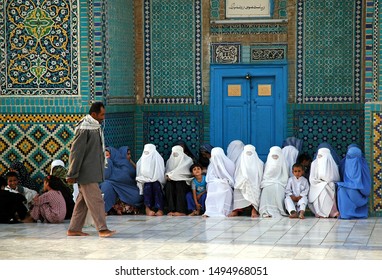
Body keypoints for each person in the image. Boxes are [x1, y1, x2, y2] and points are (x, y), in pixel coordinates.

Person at [66, 102, 116, 237]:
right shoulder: (84, 128)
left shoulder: (94, 127)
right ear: (94, 114)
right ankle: (102, 229)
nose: (103, 117)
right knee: (96, 200)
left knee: (82, 203)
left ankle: (74, 228)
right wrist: (72, 173)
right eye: (102, 114)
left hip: (91, 172)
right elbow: (76, 152)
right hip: (86, 173)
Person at [100, 146, 142, 215]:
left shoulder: (125, 165)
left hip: (128, 191)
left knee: (137, 197)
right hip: (114, 191)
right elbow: (106, 176)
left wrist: (130, 161)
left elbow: (133, 174)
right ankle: (106, 209)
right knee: (106, 185)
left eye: (107, 155)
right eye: (105, 156)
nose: (106, 158)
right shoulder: (109, 164)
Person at [229, 144, 264, 218]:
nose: (249, 155)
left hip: (255, 182)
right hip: (242, 181)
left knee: (255, 188)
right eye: (247, 153)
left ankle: (254, 209)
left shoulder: (259, 163)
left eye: (250, 153)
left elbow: (260, 176)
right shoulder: (240, 161)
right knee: (238, 188)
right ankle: (236, 210)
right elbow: (237, 174)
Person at [337, 146, 371, 219]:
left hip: (359, 196)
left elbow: (366, 191)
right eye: (349, 157)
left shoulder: (362, 167)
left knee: (345, 189)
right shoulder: (345, 164)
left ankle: (348, 213)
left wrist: (354, 187)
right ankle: (349, 213)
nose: (350, 159)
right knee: (342, 189)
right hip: (353, 192)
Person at [308, 147, 340, 218]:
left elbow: (335, 178)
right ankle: (321, 212)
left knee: (330, 186)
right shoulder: (314, 164)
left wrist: (326, 182)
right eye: (319, 156)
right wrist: (321, 183)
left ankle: (333, 212)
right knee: (322, 190)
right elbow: (312, 179)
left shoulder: (331, 164)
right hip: (316, 185)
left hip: (328, 184)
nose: (320, 158)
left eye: (322, 156)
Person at [203, 147, 235, 217]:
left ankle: (223, 211)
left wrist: (224, 181)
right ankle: (210, 211)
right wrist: (218, 181)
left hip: (226, 184)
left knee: (224, 187)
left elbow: (231, 177)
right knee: (213, 186)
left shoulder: (230, 163)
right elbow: (209, 177)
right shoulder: (211, 164)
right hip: (214, 183)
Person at [136, 143, 166, 216]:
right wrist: (146, 179)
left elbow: (160, 173)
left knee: (156, 186)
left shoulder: (159, 159)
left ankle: (160, 209)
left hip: (157, 180)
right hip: (144, 181)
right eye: (145, 152)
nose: (146, 154)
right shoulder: (140, 161)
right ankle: (147, 208)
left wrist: (154, 179)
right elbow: (139, 173)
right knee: (147, 186)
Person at [259, 146, 289, 218]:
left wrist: (279, 181)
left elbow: (285, 176)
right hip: (268, 182)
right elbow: (266, 175)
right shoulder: (268, 163)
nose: (275, 157)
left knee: (278, 189)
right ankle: (265, 211)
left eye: (277, 155)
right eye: (273, 155)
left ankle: (278, 210)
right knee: (266, 190)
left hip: (280, 182)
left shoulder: (284, 162)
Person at [164, 145, 193, 216]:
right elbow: (167, 171)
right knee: (169, 185)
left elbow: (185, 172)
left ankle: (181, 210)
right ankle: (171, 210)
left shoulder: (188, 160)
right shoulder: (169, 161)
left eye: (177, 154)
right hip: (172, 180)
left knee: (179, 184)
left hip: (184, 181)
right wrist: (168, 176)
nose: (175, 156)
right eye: (174, 154)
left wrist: (173, 175)